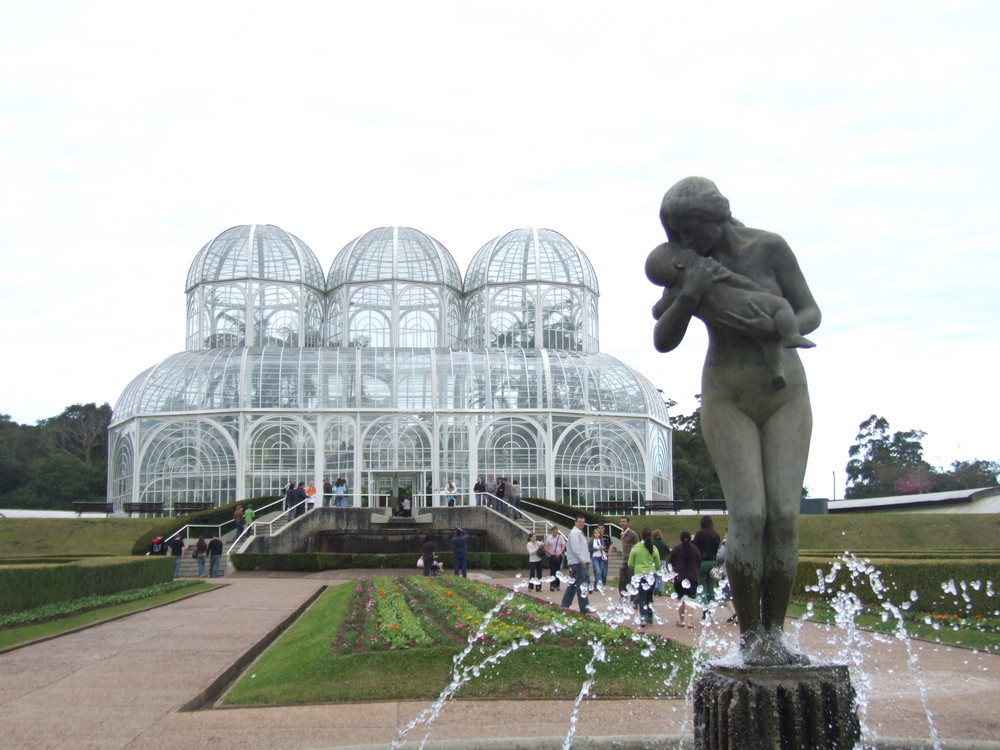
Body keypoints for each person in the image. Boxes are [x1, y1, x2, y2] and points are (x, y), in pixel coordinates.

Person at [647, 176, 821, 664]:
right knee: (748, 516)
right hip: (726, 394)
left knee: (785, 516)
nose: (681, 244)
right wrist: (689, 293)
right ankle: (751, 638)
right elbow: (663, 336)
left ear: (714, 219)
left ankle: (775, 633)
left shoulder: (769, 248)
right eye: (675, 235)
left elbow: (810, 311)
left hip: (784, 391)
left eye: (687, 232)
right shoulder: (688, 266)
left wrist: (778, 325)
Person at [647, 241, 814, 391]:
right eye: (684, 249)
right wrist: (757, 290)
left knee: (767, 339)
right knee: (782, 306)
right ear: (678, 263)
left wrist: (682, 298)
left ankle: (779, 367)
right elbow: (737, 280)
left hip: (724, 317)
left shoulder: (675, 291)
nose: (690, 248)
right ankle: (790, 338)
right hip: (743, 304)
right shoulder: (708, 268)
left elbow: (658, 310)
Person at [669, 530, 702, 628]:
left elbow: (671, 562)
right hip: (692, 577)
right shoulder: (695, 549)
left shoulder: (676, 549)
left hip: (679, 577)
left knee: (681, 599)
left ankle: (682, 620)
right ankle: (690, 622)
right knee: (690, 599)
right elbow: (699, 562)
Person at [629, 528, 661, 627]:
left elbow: (630, 564)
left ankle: (642, 618)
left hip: (639, 574)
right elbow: (658, 564)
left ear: (641, 536)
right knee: (649, 597)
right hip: (651, 574)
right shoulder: (653, 548)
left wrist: (636, 568)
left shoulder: (635, 548)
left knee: (642, 596)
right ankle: (649, 618)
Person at [561, 516, 594, 613]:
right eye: (580, 522)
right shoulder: (575, 533)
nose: (582, 524)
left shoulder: (578, 533)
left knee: (572, 585)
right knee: (581, 585)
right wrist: (582, 560)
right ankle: (584, 607)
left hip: (577, 562)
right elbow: (576, 549)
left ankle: (565, 604)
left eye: (583, 522)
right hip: (578, 563)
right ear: (575, 522)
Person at [694, 515, 722, 614]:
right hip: (713, 562)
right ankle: (712, 608)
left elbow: (695, 548)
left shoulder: (700, 534)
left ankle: (706, 609)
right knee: (711, 588)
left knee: (702, 587)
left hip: (702, 563)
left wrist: (693, 539)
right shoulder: (716, 535)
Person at [618, 516, 639, 601]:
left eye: (624, 522)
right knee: (622, 582)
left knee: (632, 582)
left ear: (628, 523)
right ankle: (623, 599)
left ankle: (634, 601)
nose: (622, 523)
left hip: (632, 562)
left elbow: (638, 546)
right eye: (621, 522)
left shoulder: (632, 534)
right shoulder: (622, 534)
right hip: (624, 561)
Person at [543, 526, 566, 592]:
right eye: (554, 532)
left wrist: (560, 551)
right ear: (552, 531)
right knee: (552, 571)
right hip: (552, 556)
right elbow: (545, 547)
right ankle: (552, 585)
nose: (555, 533)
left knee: (558, 571)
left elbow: (563, 545)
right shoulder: (549, 538)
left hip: (559, 555)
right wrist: (550, 552)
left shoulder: (560, 537)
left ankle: (557, 585)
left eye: (556, 532)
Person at [651, 529, 670, 594]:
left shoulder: (652, 543)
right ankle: (661, 590)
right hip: (663, 560)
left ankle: (655, 588)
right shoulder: (663, 543)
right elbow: (668, 552)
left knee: (654, 575)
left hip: (654, 560)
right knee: (661, 576)